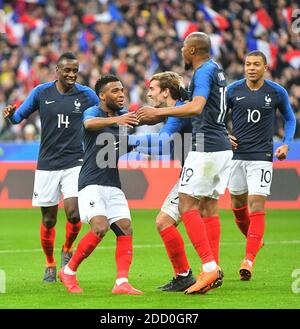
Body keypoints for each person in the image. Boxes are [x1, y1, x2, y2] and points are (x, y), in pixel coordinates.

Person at [137, 32, 232, 294]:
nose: (181, 51)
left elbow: (197, 107)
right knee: (208, 209)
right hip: (219, 147)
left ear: (192, 50)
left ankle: (209, 268)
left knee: (186, 201)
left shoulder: (202, 72)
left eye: (183, 47)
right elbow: (209, 107)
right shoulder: (216, 70)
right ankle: (208, 269)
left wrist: (156, 114)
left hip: (207, 148)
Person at [2, 52, 99, 282]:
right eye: (67, 70)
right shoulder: (41, 92)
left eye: (75, 70)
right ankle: (50, 262)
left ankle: (67, 249)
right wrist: (10, 115)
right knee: (49, 220)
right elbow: (18, 118)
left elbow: (104, 110)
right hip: (47, 163)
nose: (72, 74)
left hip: (76, 161)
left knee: (75, 214)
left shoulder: (87, 95)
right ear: (57, 71)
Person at [58, 75, 143, 295]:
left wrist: (139, 145)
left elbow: (121, 146)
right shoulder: (93, 112)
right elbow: (88, 124)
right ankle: (68, 271)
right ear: (102, 96)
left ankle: (121, 282)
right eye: (115, 91)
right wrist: (118, 121)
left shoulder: (124, 117)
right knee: (99, 227)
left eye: (122, 90)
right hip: (90, 182)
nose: (121, 94)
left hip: (113, 182)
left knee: (125, 229)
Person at [227, 50, 296, 280]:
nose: (251, 68)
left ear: (265, 67)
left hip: (262, 156)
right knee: (237, 204)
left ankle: (248, 260)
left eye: (256, 64)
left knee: (256, 205)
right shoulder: (232, 90)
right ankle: (255, 240)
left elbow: (289, 118)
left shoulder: (276, 92)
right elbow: (216, 118)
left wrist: (286, 143)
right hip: (236, 156)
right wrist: (225, 135)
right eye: (247, 64)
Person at [131, 71, 195, 291]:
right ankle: (191, 273)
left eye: (152, 89)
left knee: (164, 222)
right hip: (196, 171)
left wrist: (128, 141)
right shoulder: (179, 111)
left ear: (166, 92)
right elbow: (167, 146)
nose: (149, 94)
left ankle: (192, 273)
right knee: (197, 219)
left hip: (194, 174)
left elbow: (160, 144)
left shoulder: (178, 112)